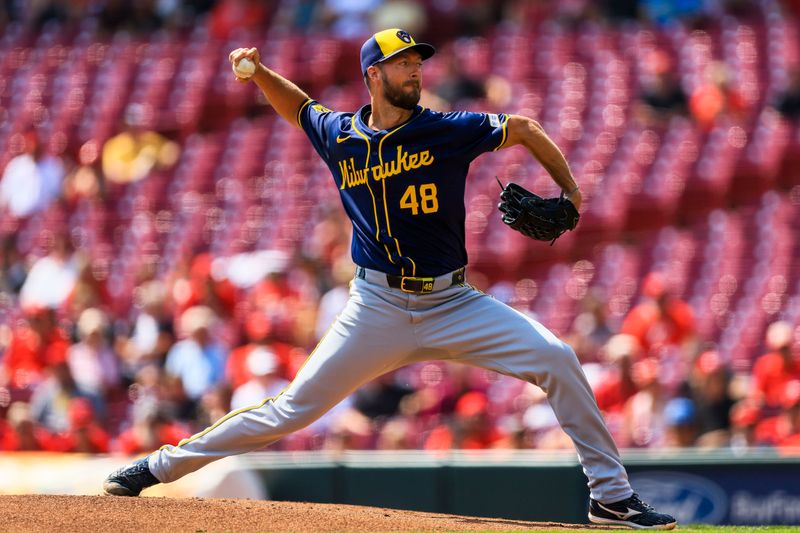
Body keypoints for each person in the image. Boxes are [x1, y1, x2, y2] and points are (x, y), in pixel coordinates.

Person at [103, 28, 676, 530]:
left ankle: (612, 498)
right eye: (405, 63)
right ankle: (158, 466)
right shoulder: (339, 135)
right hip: (375, 306)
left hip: (453, 301)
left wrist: (571, 192)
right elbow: (300, 107)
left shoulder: (447, 129)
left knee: (557, 359)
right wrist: (258, 74)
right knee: (290, 408)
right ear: (374, 75)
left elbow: (523, 127)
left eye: (418, 63)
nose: (416, 70)